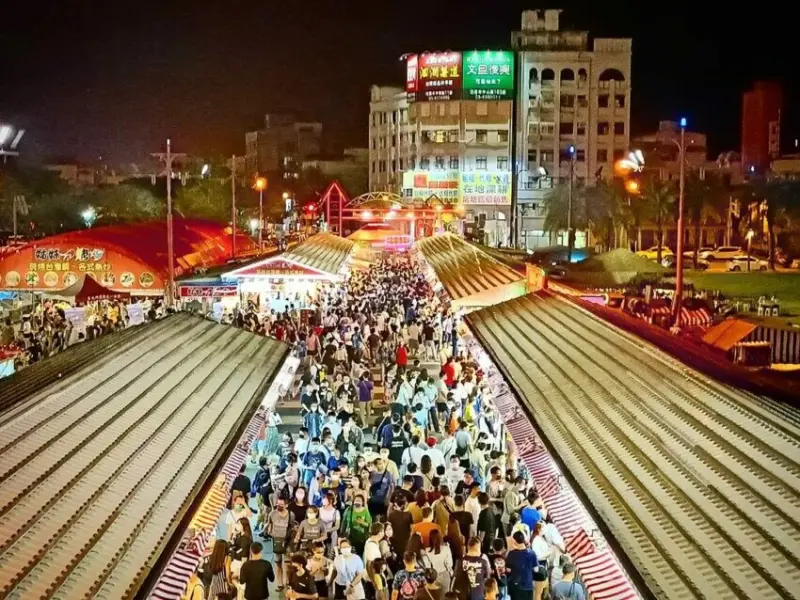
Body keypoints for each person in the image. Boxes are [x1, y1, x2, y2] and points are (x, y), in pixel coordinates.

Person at [267, 498, 296, 590]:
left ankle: (288, 582)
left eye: (281, 504)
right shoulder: (272, 514)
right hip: (277, 542)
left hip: (287, 543)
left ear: (286, 505)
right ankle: (279, 583)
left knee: (288, 565)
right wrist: (270, 532)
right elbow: (269, 525)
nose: (278, 506)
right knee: (278, 564)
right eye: (277, 504)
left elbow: (293, 528)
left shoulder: (291, 515)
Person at [505, 531, 540, 600]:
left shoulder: (511, 554)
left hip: (516, 586)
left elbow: (508, 570)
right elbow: (536, 569)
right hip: (528, 585)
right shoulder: (531, 553)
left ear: (515, 541)